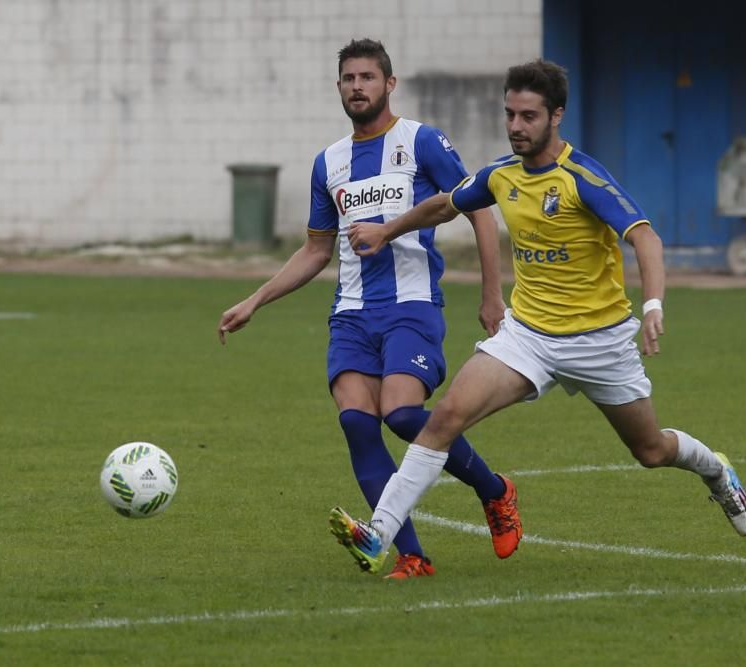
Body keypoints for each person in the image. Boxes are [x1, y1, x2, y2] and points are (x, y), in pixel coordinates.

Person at [330, 58, 746, 575]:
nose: (515, 126)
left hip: (600, 343)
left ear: (556, 115)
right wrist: (386, 230)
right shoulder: (501, 175)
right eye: (509, 114)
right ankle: (380, 535)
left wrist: (652, 306)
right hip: (527, 337)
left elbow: (645, 236)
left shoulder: (583, 178)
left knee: (650, 449)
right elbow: (445, 205)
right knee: (442, 419)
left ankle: (716, 471)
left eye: (528, 116)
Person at [218, 39, 523, 579]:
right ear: (339, 87)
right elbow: (316, 248)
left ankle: (494, 490)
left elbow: (478, 211)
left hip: (412, 306)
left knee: (403, 416)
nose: (357, 86)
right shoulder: (328, 162)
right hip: (352, 316)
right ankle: (410, 554)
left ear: (389, 83)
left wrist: (492, 293)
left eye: (367, 77)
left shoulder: (421, 141)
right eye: (348, 78)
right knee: (359, 426)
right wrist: (256, 300)